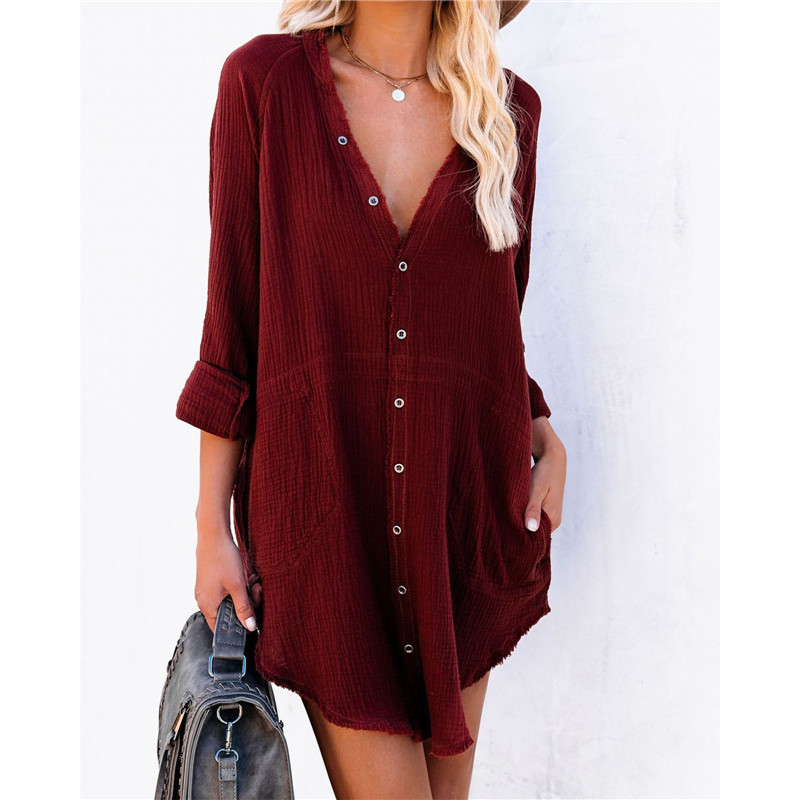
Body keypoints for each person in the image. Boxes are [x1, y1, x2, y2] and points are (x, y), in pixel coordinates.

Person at [175, 1, 567, 796]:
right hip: (326, 533)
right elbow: (233, 320)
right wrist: (211, 523)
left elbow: (490, 323)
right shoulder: (264, 87)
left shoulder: (508, 112)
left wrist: (541, 430)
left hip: (460, 526)